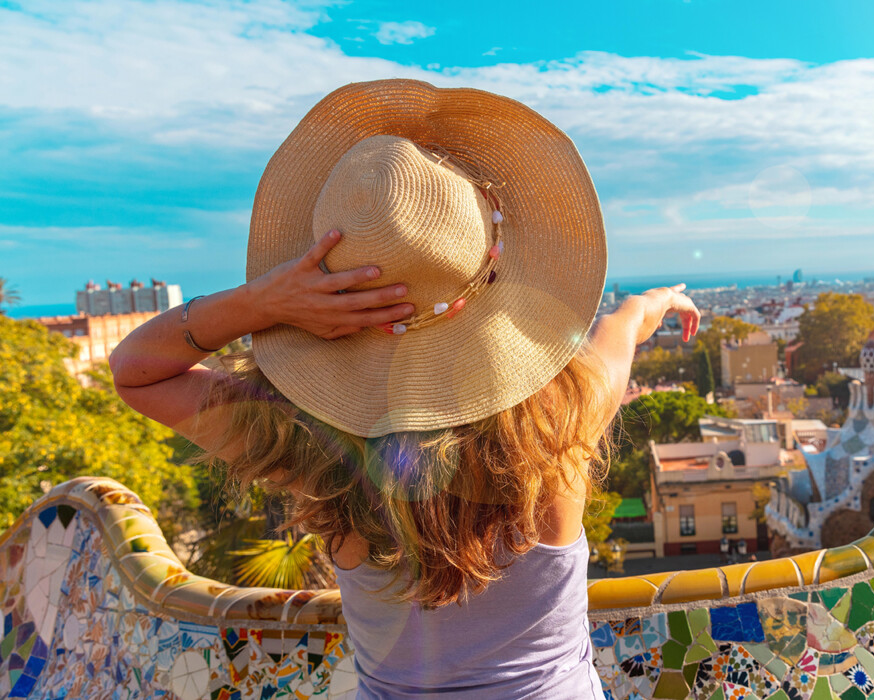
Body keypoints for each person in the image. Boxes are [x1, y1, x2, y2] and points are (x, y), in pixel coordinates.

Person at [109, 80, 700, 699]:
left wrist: (263, 302)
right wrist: (654, 302)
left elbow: (139, 371)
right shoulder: (558, 430)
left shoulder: (311, 446)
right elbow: (620, 330)